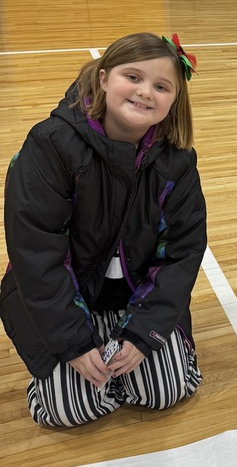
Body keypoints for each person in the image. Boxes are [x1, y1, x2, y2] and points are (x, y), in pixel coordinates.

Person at [1, 32, 207, 427]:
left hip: (132, 294)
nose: (146, 92)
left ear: (173, 102)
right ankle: (79, 353)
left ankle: (118, 336)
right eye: (134, 77)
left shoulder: (178, 162)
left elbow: (182, 251)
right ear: (103, 78)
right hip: (61, 293)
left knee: (166, 393)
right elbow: (37, 256)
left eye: (161, 87)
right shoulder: (49, 144)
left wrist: (144, 333)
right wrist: (75, 344)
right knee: (70, 412)